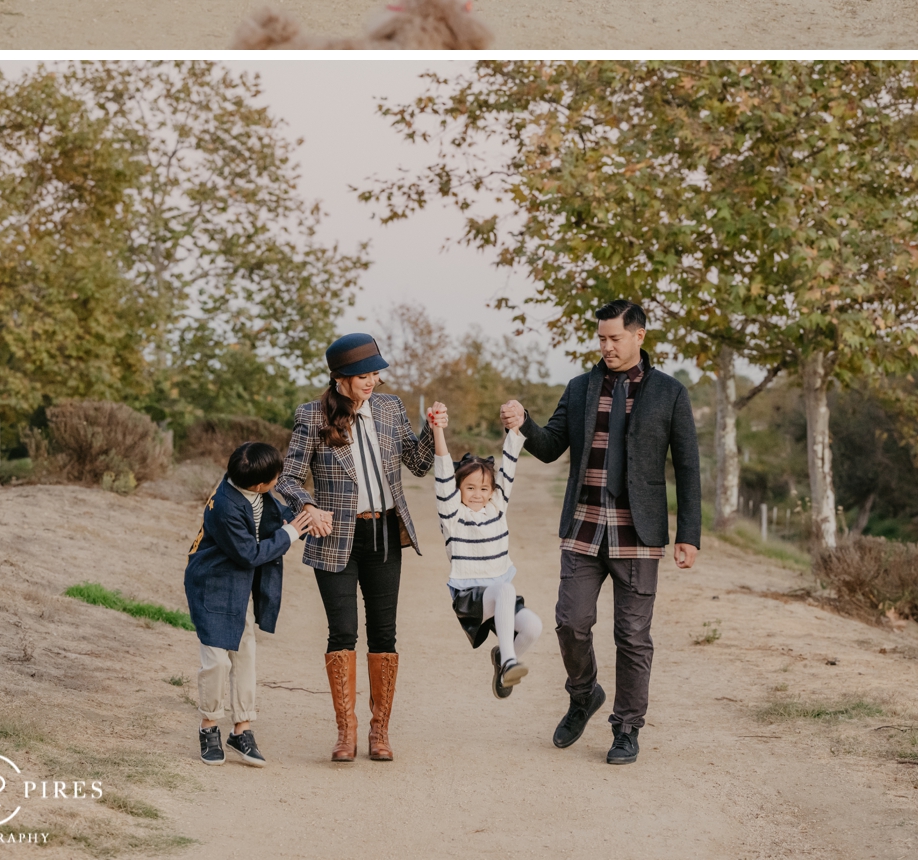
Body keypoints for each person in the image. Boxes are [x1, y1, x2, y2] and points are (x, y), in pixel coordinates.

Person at [500, 299, 701, 766]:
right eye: (601, 339)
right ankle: (584, 694)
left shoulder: (670, 393)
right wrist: (524, 423)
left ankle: (627, 728)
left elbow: (688, 468)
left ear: (639, 337)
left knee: (632, 636)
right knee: (571, 622)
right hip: (584, 527)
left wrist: (688, 533)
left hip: (639, 533)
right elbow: (550, 448)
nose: (607, 347)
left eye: (615, 338)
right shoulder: (580, 388)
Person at [278, 332, 441, 762]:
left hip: (384, 534)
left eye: (375, 373)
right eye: (362, 375)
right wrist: (308, 506)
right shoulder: (312, 416)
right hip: (334, 538)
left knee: (384, 633)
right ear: (339, 379)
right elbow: (288, 479)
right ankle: (346, 731)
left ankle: (379, 732)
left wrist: (433, 428)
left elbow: (420, 464)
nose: (372, 381)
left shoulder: (390, 409)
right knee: (343, 632)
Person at [183, 440, 311, 767]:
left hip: (238, 585)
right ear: (257, 483)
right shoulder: (225, 505)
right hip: (212, 585)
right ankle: (209, 725)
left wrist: (303, 518)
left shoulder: (252, 488)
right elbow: (249, 554)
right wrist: (291, 534)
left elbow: (273, 514)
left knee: (244, 653)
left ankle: (242, 728)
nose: (278, 482)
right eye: (274, 479)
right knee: (216, 660)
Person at [427, 404, 542, 698]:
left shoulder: (497, 506)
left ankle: (502, 658)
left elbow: (510, 463)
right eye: (470, 488)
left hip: (497, 597)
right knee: (505, 590)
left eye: (483, 489)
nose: (478, 494)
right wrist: (437, 428)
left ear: (492, 491)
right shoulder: (453, 516)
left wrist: (515, 425)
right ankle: (509, 662)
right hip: (470, 597)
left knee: (533, 627)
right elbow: (441, 468)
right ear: (458, 490)